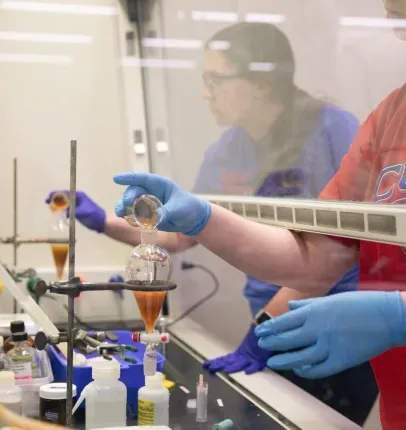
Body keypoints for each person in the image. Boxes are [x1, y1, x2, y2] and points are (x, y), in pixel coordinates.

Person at [47, 22, 376, 423]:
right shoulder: (228, 151)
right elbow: (177, 234)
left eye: (215, 79)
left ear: (260, 82)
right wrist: (102, 222)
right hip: (273, 323)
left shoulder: (334, 133)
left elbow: (331, 257)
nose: (206, 93)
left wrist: (262, 329)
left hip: (335, 325)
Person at [112, 1, 406, 427]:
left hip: (340, 326)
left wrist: (397, 316)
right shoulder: (392, 118)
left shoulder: (329, 129)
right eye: (400, 22)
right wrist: (205, 218)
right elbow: (318, 256)